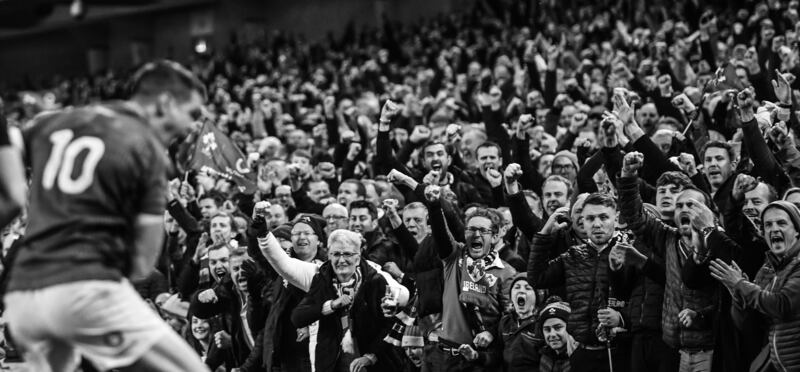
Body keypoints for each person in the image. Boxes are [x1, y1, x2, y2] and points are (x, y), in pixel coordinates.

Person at [1, 60, 210, 372]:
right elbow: (141, 263)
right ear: (165, 103)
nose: (194, 125)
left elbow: (10, 164)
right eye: (192, 113)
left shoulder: (57, 121)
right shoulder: (147, 150)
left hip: (22, 301)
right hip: (82, 288)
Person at [291, 229, 403, 372]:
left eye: (348, 254)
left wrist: (371, 356)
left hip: (372, 362)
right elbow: (298, 317)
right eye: (336, 254)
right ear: (329, 256)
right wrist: (331, 305)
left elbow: (391, 324)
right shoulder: (321, 279)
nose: (341, 260)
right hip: (332, 363)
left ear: (358, 258)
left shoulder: (375, 281)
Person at [713, 201, 800, 371]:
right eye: (768, 224)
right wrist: (738, 295)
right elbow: (747, 323)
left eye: (781, 223)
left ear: (797, 231)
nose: (774, 229)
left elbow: (781, 305)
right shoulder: (767, 268)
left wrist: (740, 284)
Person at [539, 299, 578, 372]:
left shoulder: (580, 359)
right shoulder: (544, 356)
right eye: (547, 329)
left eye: (558, 327)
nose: (552, 334)